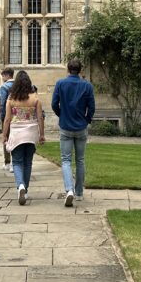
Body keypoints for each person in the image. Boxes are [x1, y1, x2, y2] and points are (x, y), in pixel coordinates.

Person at [51, 59, 95, 207]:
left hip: (66, 126)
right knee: (80, 160)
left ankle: (69, 189)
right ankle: (80, 193)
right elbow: (92, 107)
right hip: (81, 127)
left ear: (68, 70)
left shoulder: (60, 84)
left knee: (66, 160)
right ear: (80, 70)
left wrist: (61, 115)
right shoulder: (87, 85)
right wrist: (86, 120)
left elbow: (53, 104)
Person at [2, 70, 45, 205]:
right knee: (28, 162)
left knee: (17, 162)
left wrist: (4, 135)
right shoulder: (35, 98)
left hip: (17, 133)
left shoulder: (11, 99)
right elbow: (40, 118)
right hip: (31, 132)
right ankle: (25, 190)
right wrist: (42, 134)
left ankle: (20, 185)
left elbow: (7, 119)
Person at [0, 67, 15, 173]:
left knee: (6, 138)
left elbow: (3, 103)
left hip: (7, 116)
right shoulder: (18, 85)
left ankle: (7, 162)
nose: (2, 77)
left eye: (3, 75)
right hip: (18, 116)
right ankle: (15, 162)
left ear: (7, 75)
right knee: (15, 138)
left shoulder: (5, 87)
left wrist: (1, 116)